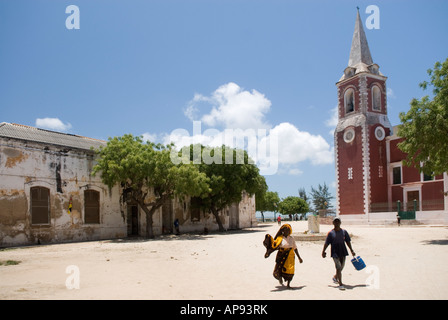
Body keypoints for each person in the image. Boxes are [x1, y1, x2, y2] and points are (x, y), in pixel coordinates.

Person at [263, 224, 303, 289]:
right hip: (281, 255)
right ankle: (279, 277)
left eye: (287, 230)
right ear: (282, 231)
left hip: (290, 256)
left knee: (290, 269)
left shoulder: (291, 238)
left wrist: (299, 257)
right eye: (284, 230)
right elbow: (274, 245)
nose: (285, 231)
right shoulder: (279, 238)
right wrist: (269, 239)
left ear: (289, 231)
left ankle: (288, 284)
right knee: (279, 268)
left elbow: (295, 248)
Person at [321, 217, 355, 290]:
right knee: (338, 267)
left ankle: (335, 277)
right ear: (333, 223)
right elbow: (327, 243)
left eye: (338, 221)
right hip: (335, 252)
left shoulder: (344, 232)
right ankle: (340, 284)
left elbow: (348, 241)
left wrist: (351, 250)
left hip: (343, 251)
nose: (336, 223)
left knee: (341, 267)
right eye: (335, 221)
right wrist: (323, 251)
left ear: (340, 223)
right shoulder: (330, 233)